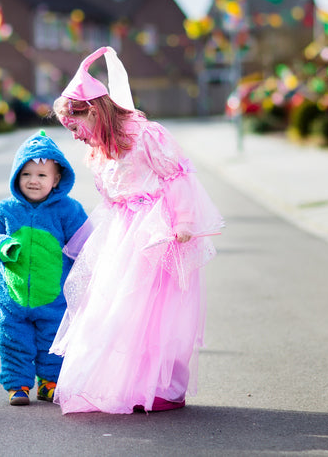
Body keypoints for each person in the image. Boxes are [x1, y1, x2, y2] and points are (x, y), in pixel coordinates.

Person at [49, 46, 224, 414]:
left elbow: (176, 177)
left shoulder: (145, 134)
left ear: (94, 111)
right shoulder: (100, 146)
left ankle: (160, 385)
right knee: (118, 306)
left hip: (156, 233)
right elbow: (113, 194)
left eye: (75, 125)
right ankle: (124, 381)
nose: (75, 135)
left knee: (157, 309)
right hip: (121, 233)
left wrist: (184, 220)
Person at [0, 131, 87, 406]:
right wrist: (1, 245)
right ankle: (18, 385)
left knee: (53, 341)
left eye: (41, 175)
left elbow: (85, 242)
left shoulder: (68, 210)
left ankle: (50, 383)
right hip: (12, 297)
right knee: (13, 341)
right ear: (16, 176)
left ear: (56, 179)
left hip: (53, 295)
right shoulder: (5, 209)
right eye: (26, 174)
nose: (33, 181)